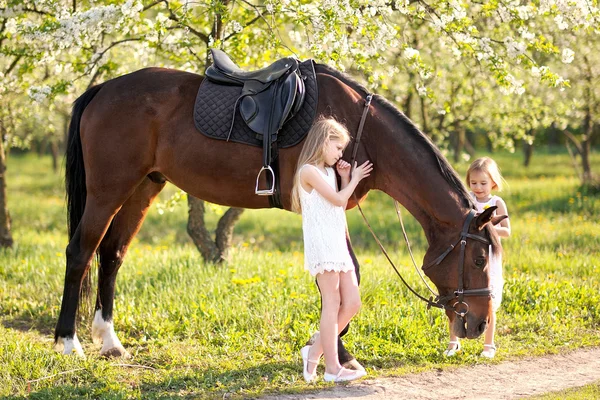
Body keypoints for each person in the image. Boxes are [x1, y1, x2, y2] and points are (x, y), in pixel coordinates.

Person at [291, 117, 373, 382]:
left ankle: (313, 353)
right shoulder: (308, 171)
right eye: (338, 148)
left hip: (338, 241)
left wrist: (346, 177)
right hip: (323, 243)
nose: (340, 154)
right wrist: (355, 178)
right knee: (332, 302)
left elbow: (338, 203)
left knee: (352, 303)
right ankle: (332, 368)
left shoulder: (327, 171)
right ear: (324, 142)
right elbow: (338, 199)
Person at [444, 156, 511, 359]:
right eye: (473, 183)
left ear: (493, 182)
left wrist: (486, 227)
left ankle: (488, 345)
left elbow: (507, 231)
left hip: (488, 258)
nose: (478, 187)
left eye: (483, 183)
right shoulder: (467, 201)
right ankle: (453, 341)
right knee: (457, 297)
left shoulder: (496, 202)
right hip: (468, 257)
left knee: (488, 300)